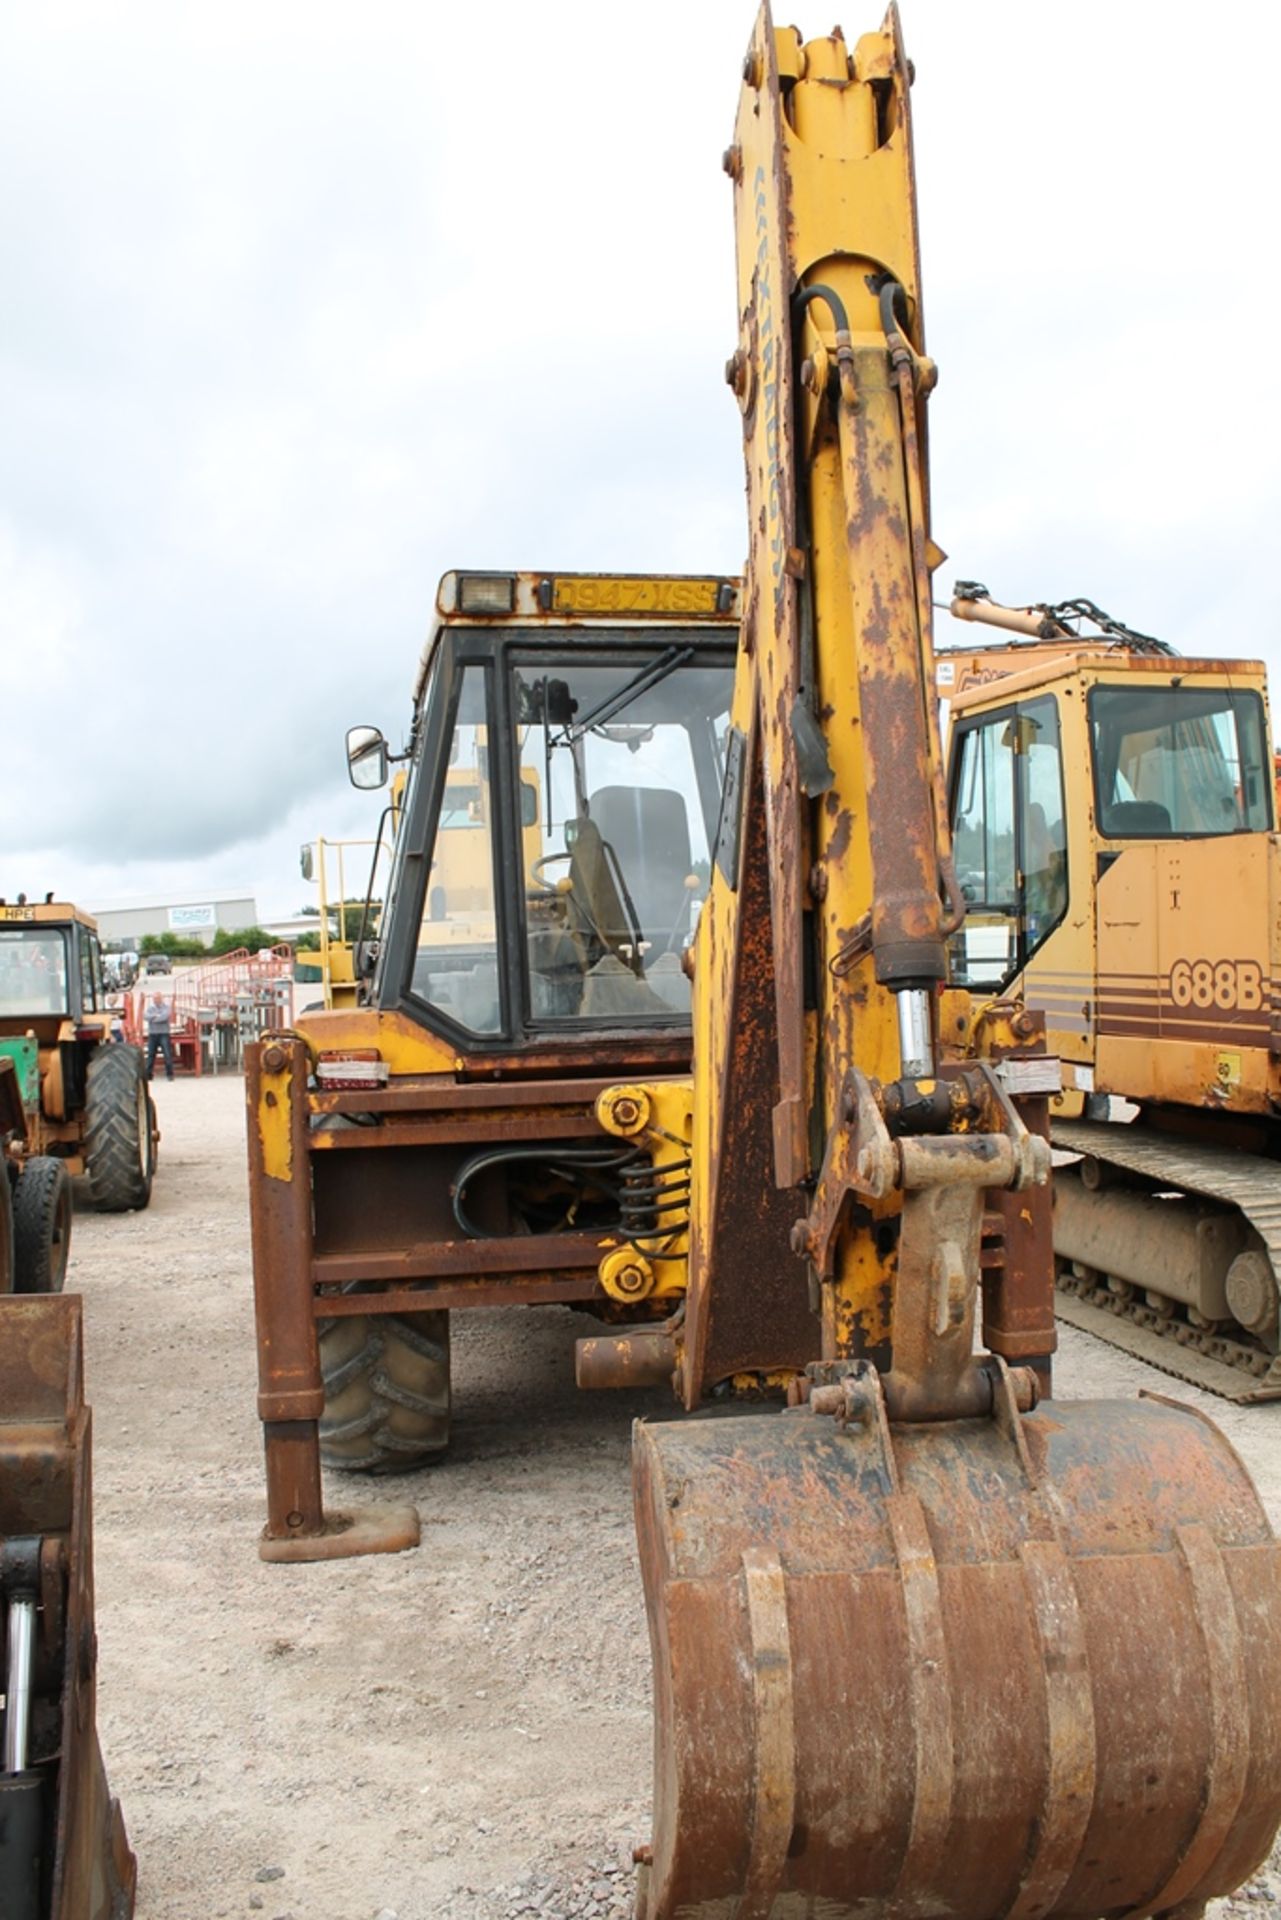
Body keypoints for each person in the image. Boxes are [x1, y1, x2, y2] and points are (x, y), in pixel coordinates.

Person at [144, 994, 176, 1082]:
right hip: (152, 1034)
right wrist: (157, 1017)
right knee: (150, 1055)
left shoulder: (166, 1007)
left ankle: (170, 1074)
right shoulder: (150, 1008)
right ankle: (148, 1075)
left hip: (164, 1033)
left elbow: (165, 1017)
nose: (156, 1000)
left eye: (157, 998)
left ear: (161, 998)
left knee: (167, 1055)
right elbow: (146, 1016)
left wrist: (154, 1018)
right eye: (154, 998)